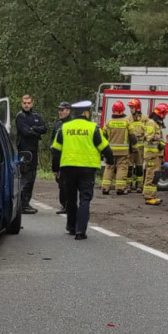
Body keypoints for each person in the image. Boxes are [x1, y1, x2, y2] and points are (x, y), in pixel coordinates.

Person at [51, 100, 114, 240]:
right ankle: (80, 231)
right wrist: (110, 160)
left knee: (71, 199)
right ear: (86, 113)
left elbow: (55, 150)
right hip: (87, 169)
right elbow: (104, 148)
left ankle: (71, 227)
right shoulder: (93, 128)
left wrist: (56, 169)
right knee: (85, 199)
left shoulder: (64, 128)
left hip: (68, 168)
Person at [14, 95, 48, 214]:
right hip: (24, 151)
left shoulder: (36, 116)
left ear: (32, 103)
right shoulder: (20, 116)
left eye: (28, 103)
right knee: (25, 177)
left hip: (34, 150)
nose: (26, 105)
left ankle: (26, 203)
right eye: (24, 103)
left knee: (32, 177)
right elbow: (25, 132)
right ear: (21, 104)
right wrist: (36, 132)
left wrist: (33, 129)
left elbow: (44, 128)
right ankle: (22, 203)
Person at [100, 101, 134, 195]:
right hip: (123, 152)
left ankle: (105, 188)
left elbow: (103, 137)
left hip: (110, 151)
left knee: (109, 168)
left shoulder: (108, 123)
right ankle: (120, 188)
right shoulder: (127, 122)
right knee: (122, 169)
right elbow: (133, 138)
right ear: (122, 110)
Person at [140, 103, 168, 206]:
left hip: (156, 155)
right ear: (160, 113)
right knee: (151, 176)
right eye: (165, 114)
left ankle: (150, 195)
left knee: (154, 175)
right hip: (152, 155)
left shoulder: (156, 124)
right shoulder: (152, 123)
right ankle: (149, 197)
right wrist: (156, 137)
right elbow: (148, 137)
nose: (165, 116)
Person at [51, 101, 73, 214]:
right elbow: (53, 143)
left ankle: (68, 205)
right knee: (61, 183)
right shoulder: (58, 124)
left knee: (67, 184)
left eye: (62, 110)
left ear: (68, 111)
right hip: (59, 157)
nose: (60, 112)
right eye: (59, 110)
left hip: (68, 158)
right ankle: (64, 204)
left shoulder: (72, 124)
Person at [127, 99, 148, 192]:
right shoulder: (128, 119)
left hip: (140, 148)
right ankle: (129, 185)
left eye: (132, 108)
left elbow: (148, 131)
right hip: (130, 147)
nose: (131, 110)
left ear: (137, 108)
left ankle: (140, 185)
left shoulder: (145, 119)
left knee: (139, 167)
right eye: (130, 108)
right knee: (129, 167)